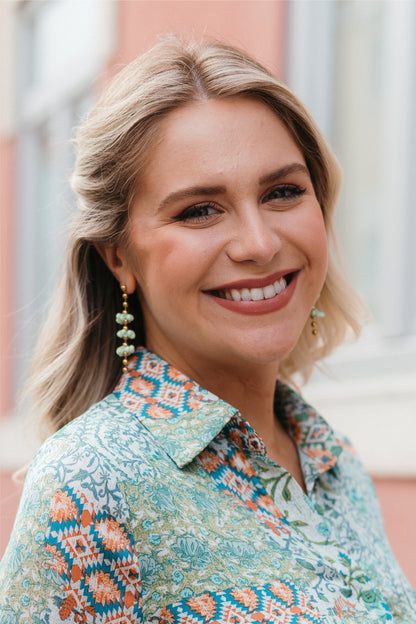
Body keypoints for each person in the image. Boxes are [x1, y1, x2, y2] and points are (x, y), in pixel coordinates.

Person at [0, 37, 414, 623]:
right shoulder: (92, 485)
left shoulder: (334, 462)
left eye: (283, 192)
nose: (260, 244)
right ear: (118, 256)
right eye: (200, 210)